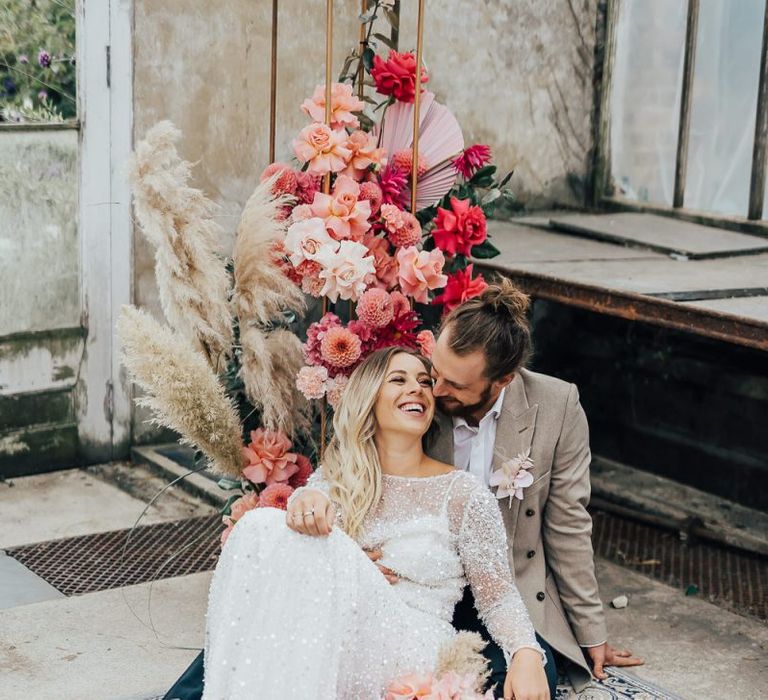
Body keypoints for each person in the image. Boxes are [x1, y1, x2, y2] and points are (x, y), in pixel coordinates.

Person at [201, 347, 550, 700]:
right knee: (259, 526)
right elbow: (299, 547)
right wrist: (307, 507)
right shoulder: (336, 479)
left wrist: (525, 652)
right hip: (342, 630)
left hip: (413, 643)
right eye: (398, 380)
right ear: (369, 397)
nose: (417, 389)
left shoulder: (463, 493)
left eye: (425, 382)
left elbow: (497, 596)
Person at [415, 279, 643, 693]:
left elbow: (568, 524)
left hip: (508, 589)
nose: (436, 389)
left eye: (456, 386)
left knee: (535, 684)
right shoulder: (415, 388)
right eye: (436, 371)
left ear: (503, 380)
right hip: (424, 581)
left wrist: (590, 630)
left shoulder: (557, 406)